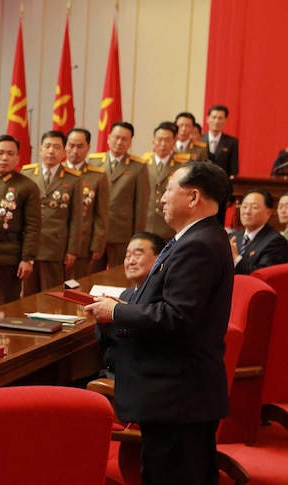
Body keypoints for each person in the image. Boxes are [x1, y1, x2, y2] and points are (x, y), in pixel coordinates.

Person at [85, 161, 233, 485]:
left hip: (177, 395)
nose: (162, 198)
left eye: (168, 189)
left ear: (193, 197)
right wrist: (128, 306)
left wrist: (117, 312)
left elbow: (177, 317)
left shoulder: (199, 245)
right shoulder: (194, 237)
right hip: (177, 393)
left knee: (172, 474)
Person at [0, 134, 40, 307]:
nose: (4, 158)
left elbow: (33, 226)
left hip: (10, 258)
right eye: (0, 153)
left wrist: (28, 259)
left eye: (10, 154)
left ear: (18, 158)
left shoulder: (27, 186)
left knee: (7, 309)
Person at [95, 232, 166, 378]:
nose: (131, 261)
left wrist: (120, 313)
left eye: (138, 255)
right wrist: (103, 322)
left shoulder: (160, 298)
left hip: (136, 378)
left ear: (160, 259)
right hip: (111, 371)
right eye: (128, 256)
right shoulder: (126, 293)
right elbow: (107, 341)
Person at [21, 130, 82, 294]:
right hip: (29, 246)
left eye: (56, 147)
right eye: (47, 146)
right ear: (40, 149)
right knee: (27, 294)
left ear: (64, 152)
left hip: (56, 247)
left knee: (52, 293)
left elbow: (76, 218)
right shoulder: (27, 174)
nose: (51, 151)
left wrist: (72, 249)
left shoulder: (73, 179)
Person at [88, 121, 150, 268]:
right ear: (108, 138)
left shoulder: (138, 167)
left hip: (122, 234)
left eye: (124, 139)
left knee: (119, 275)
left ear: (130, 142)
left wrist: (137, 238)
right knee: (91, 275)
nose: (119, 142)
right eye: (116, 137)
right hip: (95, 233)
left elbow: (141, 205)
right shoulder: (94, 162)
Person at [65, 128, 109, 278]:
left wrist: (97, 245)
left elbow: (101, 214)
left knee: (77, 285)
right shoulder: (58, 174)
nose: (74, 151)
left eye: (80, 146)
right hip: (55, 244)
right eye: (71, 145)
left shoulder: (97, 176)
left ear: (88, 148)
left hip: (83, 244)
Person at [144, 122, 190, 242]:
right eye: (159, 140)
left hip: (170, 225)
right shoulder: (143, 163)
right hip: (147, 223)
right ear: (153, 141)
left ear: (175, 141)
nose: (163, 144)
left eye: (167, 140)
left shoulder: (183, 165)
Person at [230, 189, 288, 274]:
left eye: (254, 207)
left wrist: (235, 259)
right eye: (245, 206)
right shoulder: (233, 237)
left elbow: (263, 276)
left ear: (268, 213)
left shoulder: (276, 242)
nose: (247, 212)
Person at [202, 105, 239, 225]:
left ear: (225, 120)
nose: (217, 121)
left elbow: (233, 170)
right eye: (214, 117)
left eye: (220, 118)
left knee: (217, 223)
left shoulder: (231, 142)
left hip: (221, 192)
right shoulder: (199, 140)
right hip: (202, 189)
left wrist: (230, 196)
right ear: (207, 119)